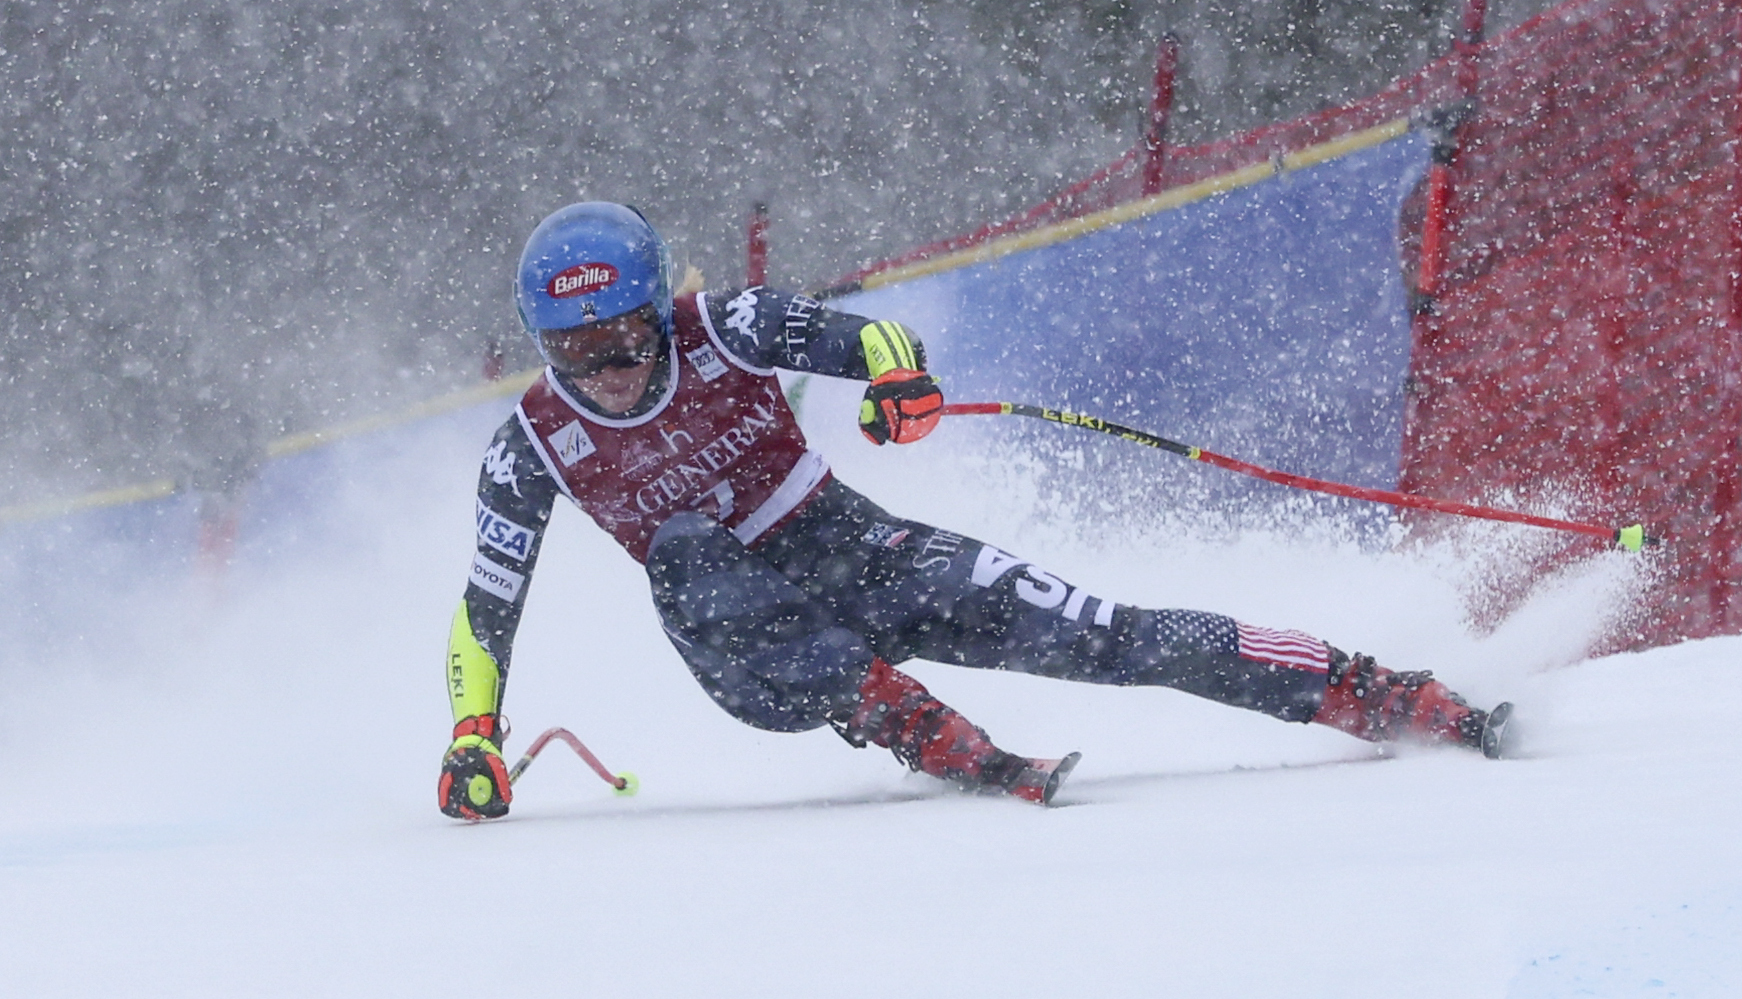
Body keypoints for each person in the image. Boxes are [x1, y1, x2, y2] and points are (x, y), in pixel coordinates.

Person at [438, 202, 1511, 819]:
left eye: (624, 335)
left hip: (851, 550)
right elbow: (487, 609)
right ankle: (910, 723)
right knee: (684, 547)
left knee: (1102, 633)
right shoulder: (534, 443)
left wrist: (898, 387)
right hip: (749, 654)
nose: (610, 367)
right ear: (543, 344)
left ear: (655, 312)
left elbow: (864, 340)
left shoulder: (718, 325)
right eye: (577, 350)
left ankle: (1373, 692)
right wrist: (472, 736)